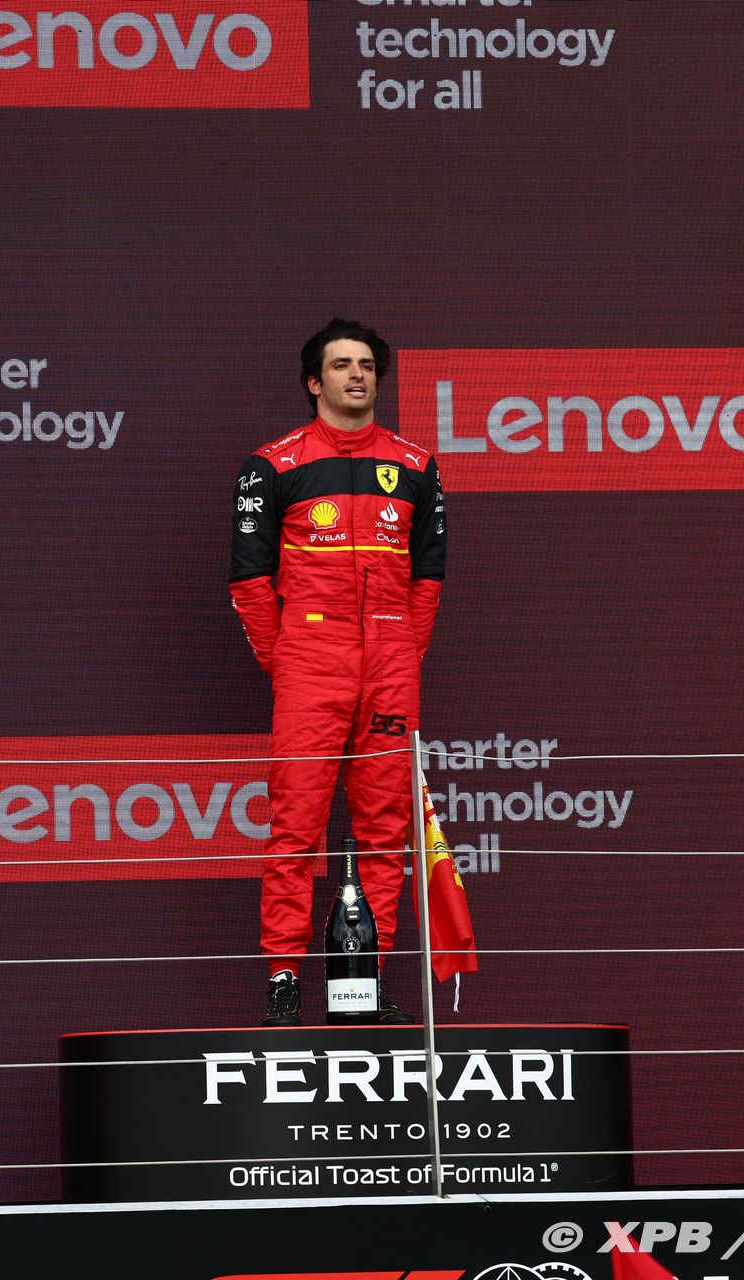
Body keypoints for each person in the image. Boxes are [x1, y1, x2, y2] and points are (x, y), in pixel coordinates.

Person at [230, 318, 446, 1026]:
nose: (357, 375)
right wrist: (287, 658)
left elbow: (429, 579)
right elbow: (250, 581)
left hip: (389, 661)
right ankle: (284, 978)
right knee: (295, 826)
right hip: (311, 662)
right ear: (313, 382)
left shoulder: (416, 465)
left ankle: (366, 982)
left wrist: (401, 649)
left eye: (367, 365)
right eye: (342, 365)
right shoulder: (273, 464)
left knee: (385, 830)